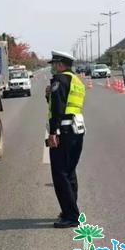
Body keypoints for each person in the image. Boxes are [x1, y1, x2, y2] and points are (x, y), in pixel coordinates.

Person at [45, 51, 86, 228]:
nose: (53, 67)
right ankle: (71, 209)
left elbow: (58, 108)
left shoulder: (59, 79)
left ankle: (71, 216)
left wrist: (53, 132)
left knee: (60, 173)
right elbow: (67, 103)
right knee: (70, 172)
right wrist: (49, 95)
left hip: (64, 131)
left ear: (61, 64)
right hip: (77, 129)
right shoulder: (76, 81)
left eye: (54, 64)